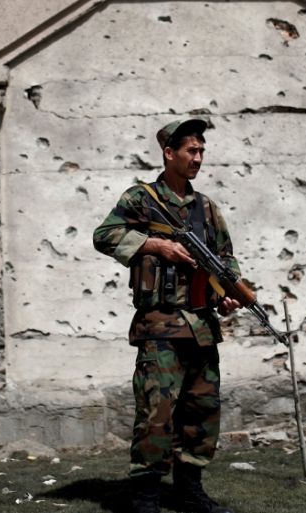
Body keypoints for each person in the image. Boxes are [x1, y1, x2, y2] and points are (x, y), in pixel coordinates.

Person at [93, 119, 241, 513]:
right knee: (156, 414)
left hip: (202, 329)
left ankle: (190, 490)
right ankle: (144, 496)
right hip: (160, 326)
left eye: (202, 151)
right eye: (191, 151)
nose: (198, 158)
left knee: (201, 414)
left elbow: (226, 259)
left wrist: (226, 295)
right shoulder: (141, 199)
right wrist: (155, 245)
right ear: (169, 153)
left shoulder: (206, 208)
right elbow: (104, 235)